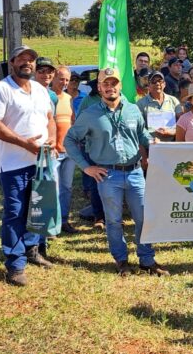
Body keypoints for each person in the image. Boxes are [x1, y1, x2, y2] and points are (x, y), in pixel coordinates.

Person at [65, 67, 168, 277]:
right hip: (108, 175)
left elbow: (141, 134)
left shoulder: (132, 110)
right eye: (105, 84)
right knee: (113, 220)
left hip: (135, 172)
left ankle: (147, 259)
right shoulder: (90, 114)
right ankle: (121, 260)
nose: (110, 87)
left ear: (120, 86)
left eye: (114, 83)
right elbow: (69, 140)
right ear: (100, 88)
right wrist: (86, 167)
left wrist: (151, 141)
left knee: (143, 218)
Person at [0, 46, 56, 286]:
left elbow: (50, 119)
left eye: (32, 60)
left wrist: (53, 139)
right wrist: (24, 144)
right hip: (13, 164)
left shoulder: (39, 89)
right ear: (12, 61)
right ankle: (15, 265)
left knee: (38, 208)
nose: (28, 63)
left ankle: (32, 249)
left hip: (41, 161)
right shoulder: (0, 90)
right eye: (22, 59)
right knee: (15, 213)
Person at [50, 66, 79, 234]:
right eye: (61, 79)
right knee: (53, 188)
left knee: (66, 188)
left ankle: (64, 221)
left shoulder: (69, 98)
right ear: (53, 78)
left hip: (68, 150)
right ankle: (52, 224)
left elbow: (72, 121)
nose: (65, 82)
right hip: (53, 151)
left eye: (67, 80)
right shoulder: (46, 97)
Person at [136, 71, 182, 142]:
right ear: (149, 85)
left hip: (172, 145)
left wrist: (171, 132)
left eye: (160, 81)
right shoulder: (140, 104)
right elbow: (139, 128)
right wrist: (150, 140)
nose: (157, 84)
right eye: (153, 81)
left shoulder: (174, 101)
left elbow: (182, 124)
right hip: (151, 146)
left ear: (164, 84)